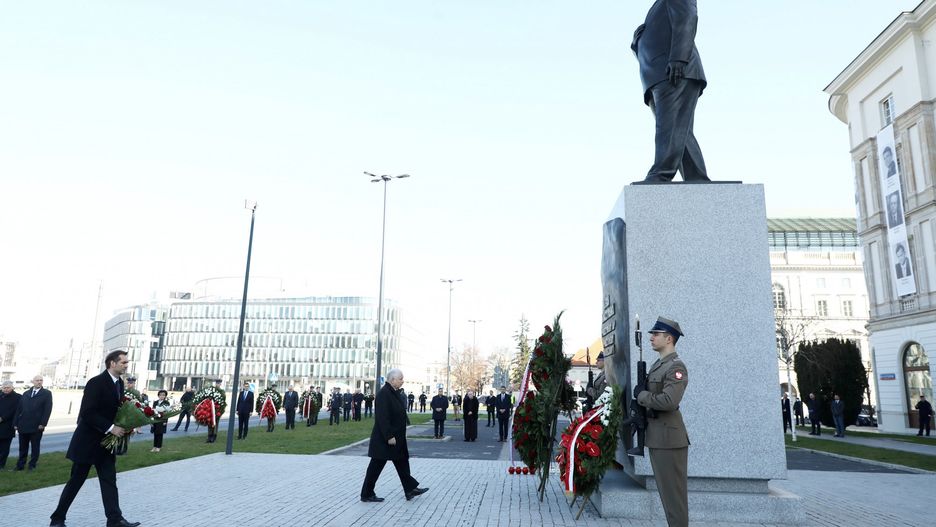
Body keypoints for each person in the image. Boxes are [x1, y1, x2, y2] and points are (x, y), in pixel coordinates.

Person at [50, 349, 140, 527]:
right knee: (76, 481)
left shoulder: (119, 383)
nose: (126, 365)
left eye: (126, 362)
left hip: (106, 445)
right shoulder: (96, 383)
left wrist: (129, 424)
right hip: (87, 442)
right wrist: (111, 427)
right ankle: (57, 519)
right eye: (123, 362)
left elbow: (116, 410)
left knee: (109, 480)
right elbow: (87, 412)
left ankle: (115, 520)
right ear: (112, 363)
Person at [632, 0, 708, 183]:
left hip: (674, 71)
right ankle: (696, 177)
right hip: (658, 75)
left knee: (670, 127)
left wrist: (679, 58)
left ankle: (661, 173)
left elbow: (687, 18)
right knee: (679, 131)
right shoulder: (657, 8)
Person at [634, 316, 689, 527]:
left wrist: (642, 396)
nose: (651, 337)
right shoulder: (659, 364)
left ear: (669, 339)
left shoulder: (676, 367)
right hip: (658, 438)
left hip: (669, 440)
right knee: (667, 497)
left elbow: (669, 400)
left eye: (655, 334)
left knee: (674, 499)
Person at [360, 368, 428, 503]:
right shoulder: (383, 394)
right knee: (376, 466)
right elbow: (382, 418)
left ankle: (410, 489)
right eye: (400, 379)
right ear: (392, 380)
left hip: (397, 438)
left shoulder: (393, 392)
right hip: (386, 440)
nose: (402, 381)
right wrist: (389, 436)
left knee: (402, 462)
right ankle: (366, 494)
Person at [13, 374, 53, 471]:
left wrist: (43, 423)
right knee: (23, 447)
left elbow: (47, 409)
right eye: (37, 380)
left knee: (35, 447)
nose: (39, 382)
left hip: (37, 426)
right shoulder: (26, 393)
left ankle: (32, 465)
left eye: (41, 380)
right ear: (33, 381)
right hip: (23, 425)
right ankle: (20, 465)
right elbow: (19, 409)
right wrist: (15, 423)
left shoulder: (47, 393)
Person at [0, 380, 22, 470]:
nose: (5, 389)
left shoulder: (18, 397)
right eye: (4, 387)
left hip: (8, 426)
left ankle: (1, 465)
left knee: (4, 448)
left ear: (12, 387)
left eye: (8, 387)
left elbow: (15, 411)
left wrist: (2, 418)